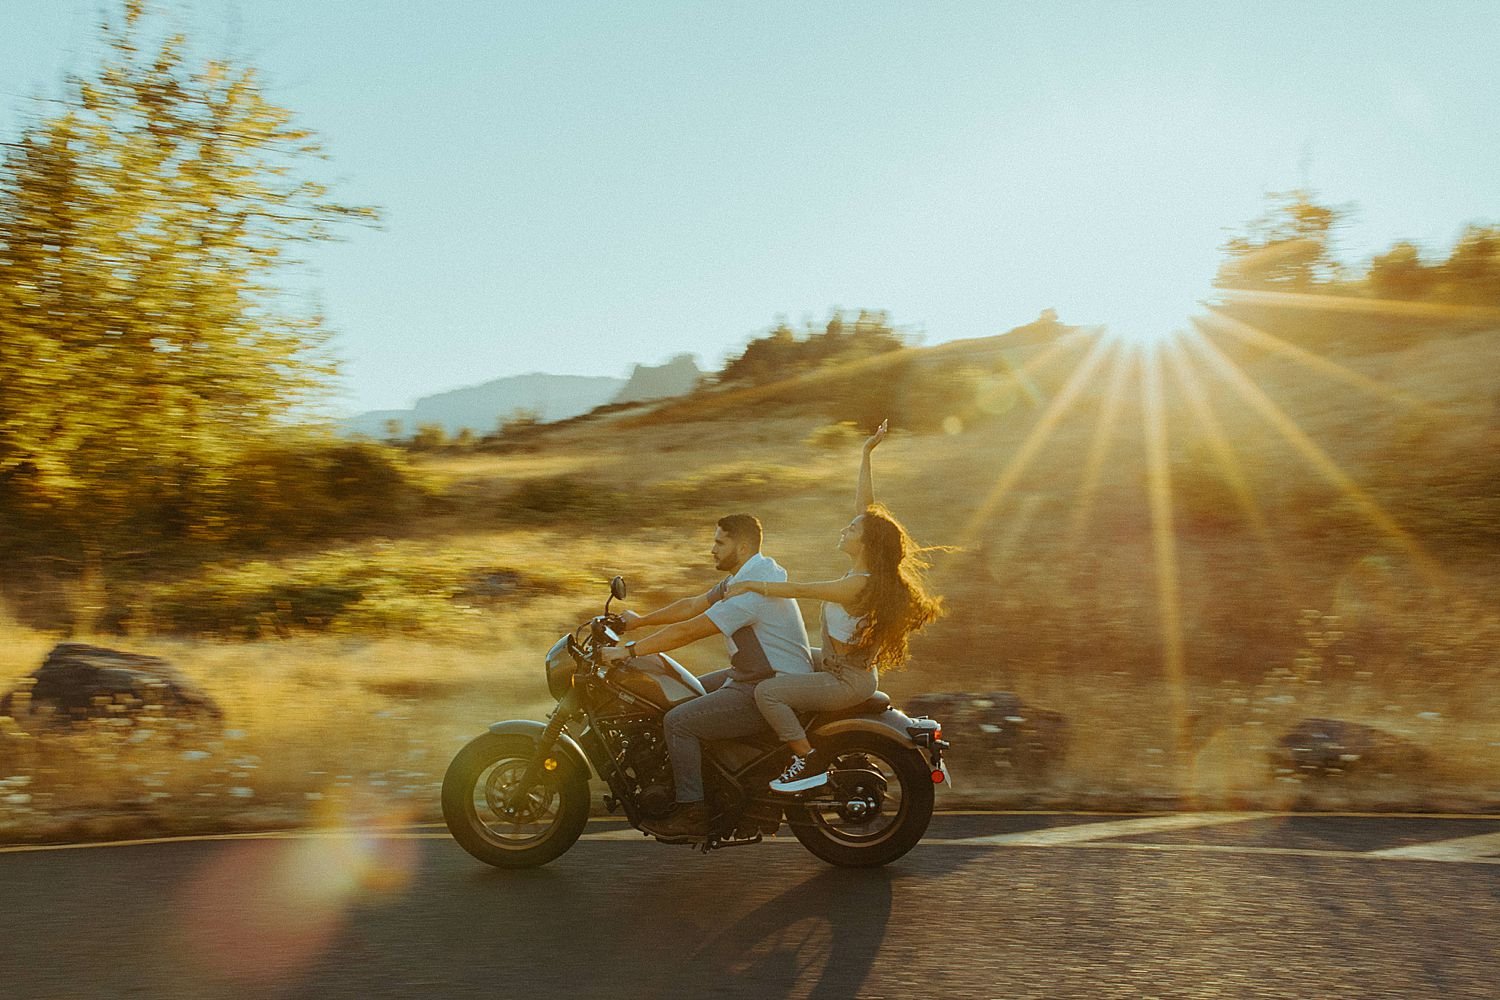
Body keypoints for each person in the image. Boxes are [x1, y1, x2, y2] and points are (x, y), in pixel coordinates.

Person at [725, 420, 944, 794]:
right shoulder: (868, 569)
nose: (845, 529)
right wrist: (865, 453)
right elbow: (867, 508)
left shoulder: (856, 584)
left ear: (865, 543)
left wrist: (749, 583)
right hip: (838, 666)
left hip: (844, 680)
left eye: (852, 529)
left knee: (768, 692)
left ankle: (804, 758)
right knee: (778, 661)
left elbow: (801, 588)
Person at [600, 513, 813, 839]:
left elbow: (690, 629)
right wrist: (638, 622)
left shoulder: (751, 593)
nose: (711, 549)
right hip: (751, 677)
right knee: (682, 690)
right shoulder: (748, 576)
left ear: (740, 547)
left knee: (678, 721)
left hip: (768, 687)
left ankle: (692, 812)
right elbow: (691, 606)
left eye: (718, 542)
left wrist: (629, 652)